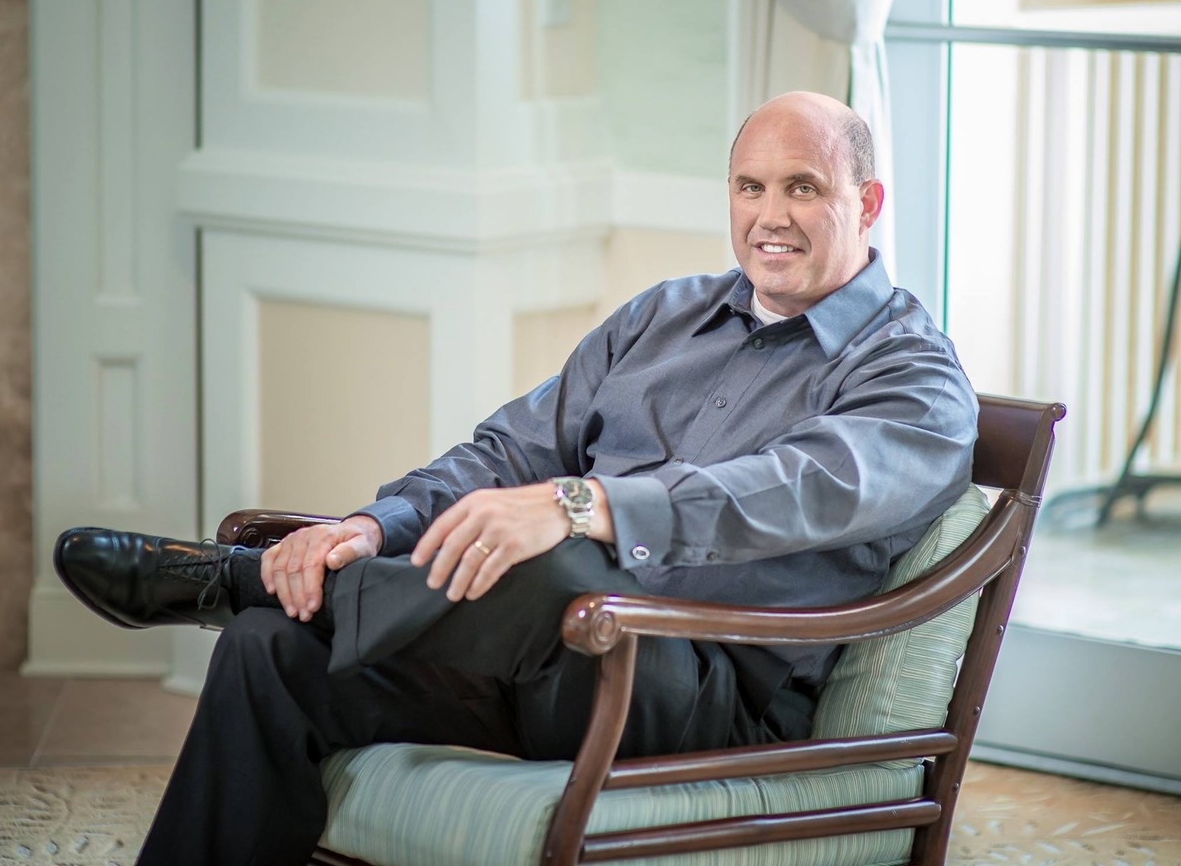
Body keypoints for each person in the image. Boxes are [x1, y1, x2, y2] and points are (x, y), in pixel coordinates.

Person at [55, 91, 978, 866]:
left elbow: (790, 487)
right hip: (536, 661)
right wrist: (372, 527)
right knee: (270, 650)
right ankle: (260, 601)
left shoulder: (914, 377)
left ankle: (235, 578)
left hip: (697, 693)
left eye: (802, 188)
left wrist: (583, 504)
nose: (769, 216)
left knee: (560, 562)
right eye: (750, 187)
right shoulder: (664, 315)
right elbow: (509, 453)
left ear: (867, 202)